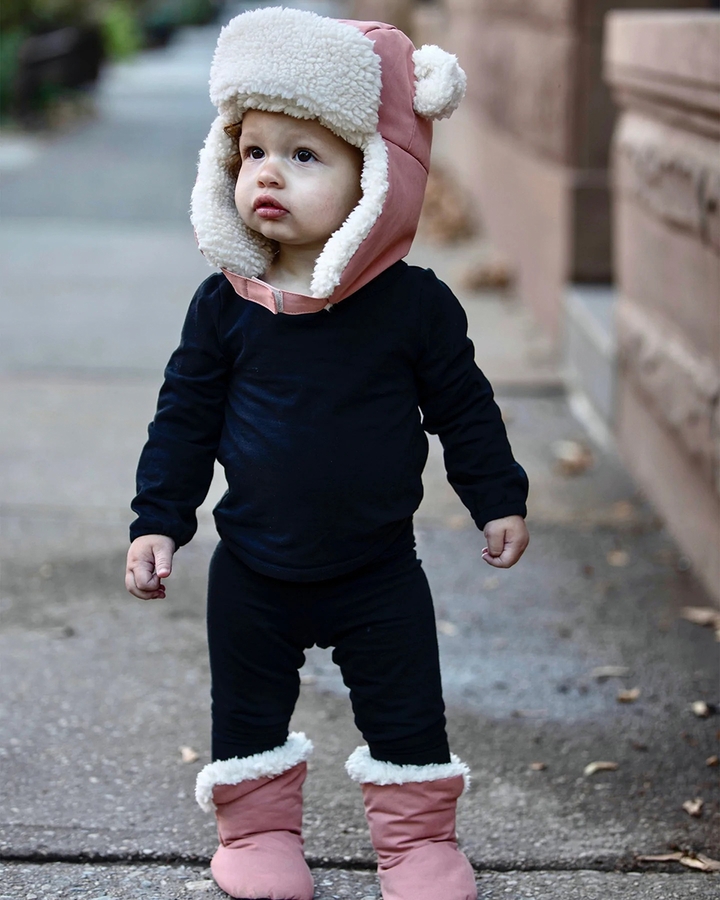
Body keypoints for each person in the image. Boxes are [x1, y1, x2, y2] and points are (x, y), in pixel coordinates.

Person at [125, 8, 529, 900]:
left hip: (378, 568)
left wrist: (497, 495)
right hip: (253, 566)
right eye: (253, 151)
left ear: (378, 179)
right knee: (248, 712)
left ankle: (418, 845)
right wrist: (158, 518)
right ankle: (258, 834)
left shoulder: (414, 309)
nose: (269, 172)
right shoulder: (226, 307)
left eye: (305, 155)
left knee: (407, 709)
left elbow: (463, 408)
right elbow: (184, 417)